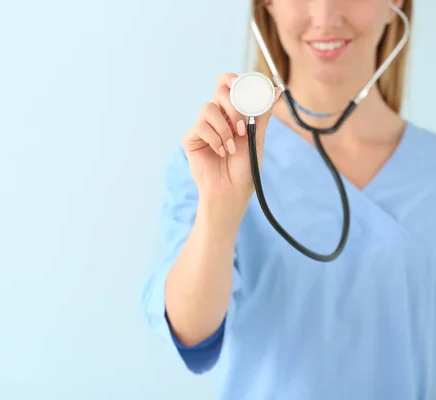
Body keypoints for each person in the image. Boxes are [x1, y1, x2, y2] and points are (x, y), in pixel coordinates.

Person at [140, 0, 436, 399]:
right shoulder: (219, 156)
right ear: (268, 5)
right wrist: (221, 208)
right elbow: (190, 333)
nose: (326, 16)